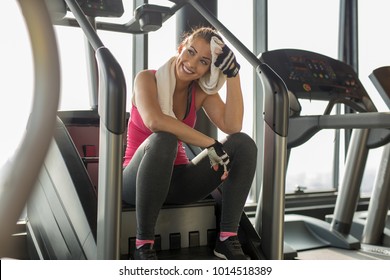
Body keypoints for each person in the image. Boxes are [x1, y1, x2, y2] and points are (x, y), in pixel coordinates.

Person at [122, 26, 257, 260]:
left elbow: (233, 126)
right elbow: (155, 121)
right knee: (164, 138)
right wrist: (209, 143)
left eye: (204, 61)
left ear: (210, 68)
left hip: (178, 182)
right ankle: (143, 245)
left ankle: (227, 238)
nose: (192, 64)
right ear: (181, 48)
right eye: (191, 52)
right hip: (136, 183)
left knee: (243, 143)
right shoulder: (146, 79)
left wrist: (233, 75)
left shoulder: (201, 91)